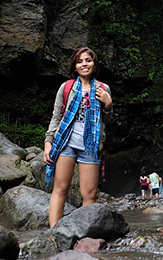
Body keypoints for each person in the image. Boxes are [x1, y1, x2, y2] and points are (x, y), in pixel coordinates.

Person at [43, 47, 113, 227]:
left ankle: (86, 236)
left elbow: (107, 119)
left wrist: (108, 104)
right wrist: (48, 142)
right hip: (66, 144)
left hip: (90, 145)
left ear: (94, 64)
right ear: (75, 66)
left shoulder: (103, 89)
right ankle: (54, 233)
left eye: (88, 60)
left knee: (89, 195)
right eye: (80, 61)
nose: (84, 64)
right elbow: (56, 117)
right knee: (60, 189)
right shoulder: (66, 88)